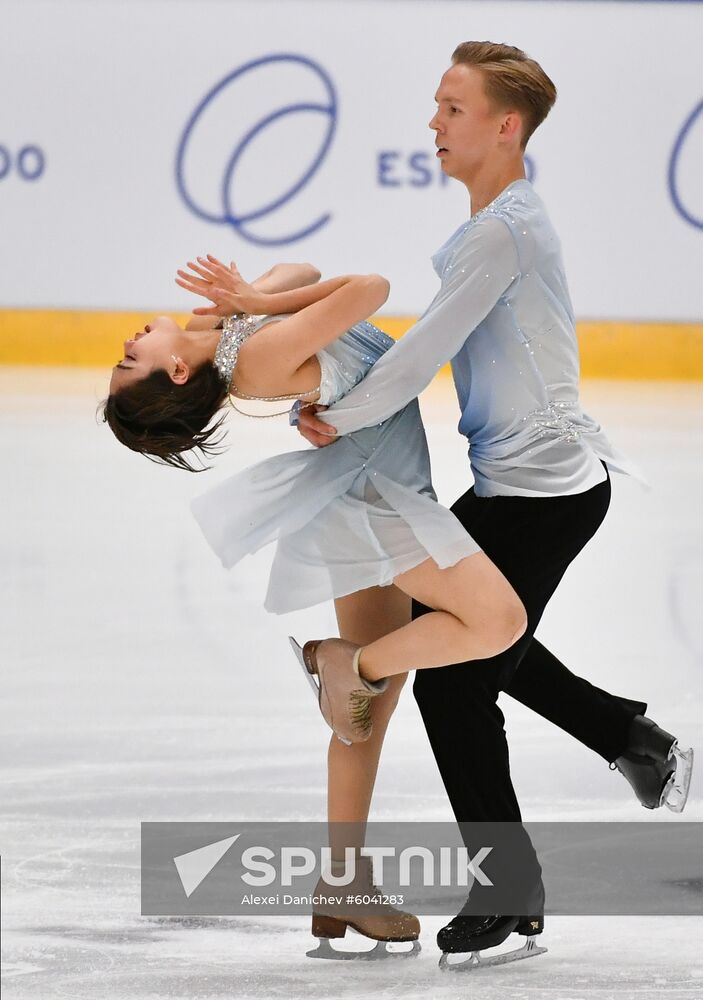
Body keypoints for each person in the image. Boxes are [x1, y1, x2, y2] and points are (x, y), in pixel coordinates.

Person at [294, 40, 694, 967]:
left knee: (457, 668)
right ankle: (627, 738)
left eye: (451, 108)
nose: (432, 123)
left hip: (545, 490)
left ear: (504, 126)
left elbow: (419, 354)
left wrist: (338, 412)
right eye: (437, 106)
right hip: (525, 484)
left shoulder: (501, 232)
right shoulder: (499, 222)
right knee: (476, 634)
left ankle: (509, 888)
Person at [101, 254, 531, 957]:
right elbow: (371, 289)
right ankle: (345, 661)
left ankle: (340, 883)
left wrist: (250, 298)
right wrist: (253, 304)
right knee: (495, 624)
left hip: (359, 488)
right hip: (376, 501)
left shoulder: (226, 329)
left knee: (367, 708)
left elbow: (294, 268)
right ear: (175, 373)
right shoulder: (256, 353)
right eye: (130, 361)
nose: (126, 345)